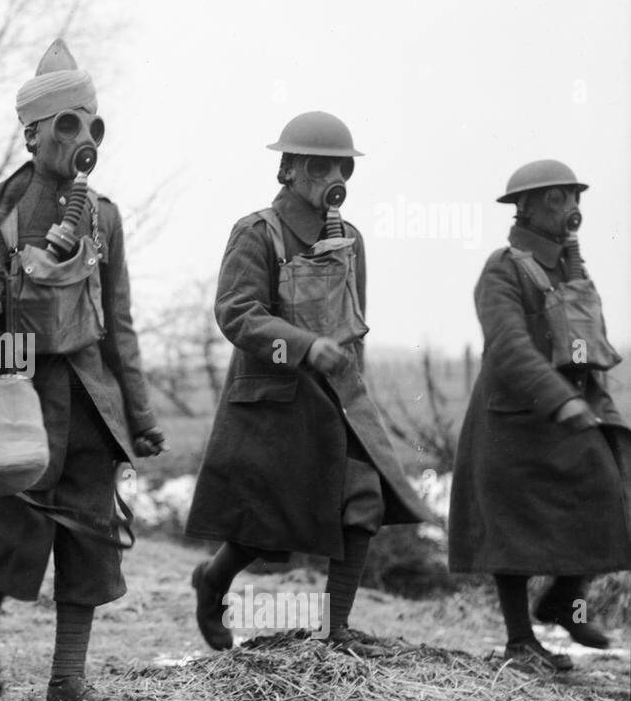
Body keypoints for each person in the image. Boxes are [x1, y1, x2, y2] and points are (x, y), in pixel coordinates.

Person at [0, 39, 164, 701]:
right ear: (32, 134)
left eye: (91, 125)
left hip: (89, 396)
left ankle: (67, 678)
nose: (81, 139)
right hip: (18, 392)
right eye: (66, 125)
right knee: (13, 532)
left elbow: (121, 318)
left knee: (90, 536)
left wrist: (140, 411)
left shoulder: (102, 215)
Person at [184, 111, 432, 656]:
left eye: (340, 165)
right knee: (265, 525)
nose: (331, 176)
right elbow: (236, 314)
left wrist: (350, 384)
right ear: (289, 170)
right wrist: (301, 346)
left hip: (339, 397)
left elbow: (354, 319)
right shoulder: (257, 233)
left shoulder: (353, 241)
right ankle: (214, 582)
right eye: (318, 165)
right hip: (274, 402)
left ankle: (334, 629)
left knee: (361, 503)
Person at [449, 160, 630, 671]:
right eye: (556, 199)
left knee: (609, 488)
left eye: (574, 198)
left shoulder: (569, 268)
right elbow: (508, 347)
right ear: (524, 207)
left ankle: (562, 601)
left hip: (569, 406)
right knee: (511, 527)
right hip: (512, 417)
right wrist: (559, 398)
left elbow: (586, 335)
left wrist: (580, 397)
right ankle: (519, 640)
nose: (571, 208)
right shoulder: (502, 267)